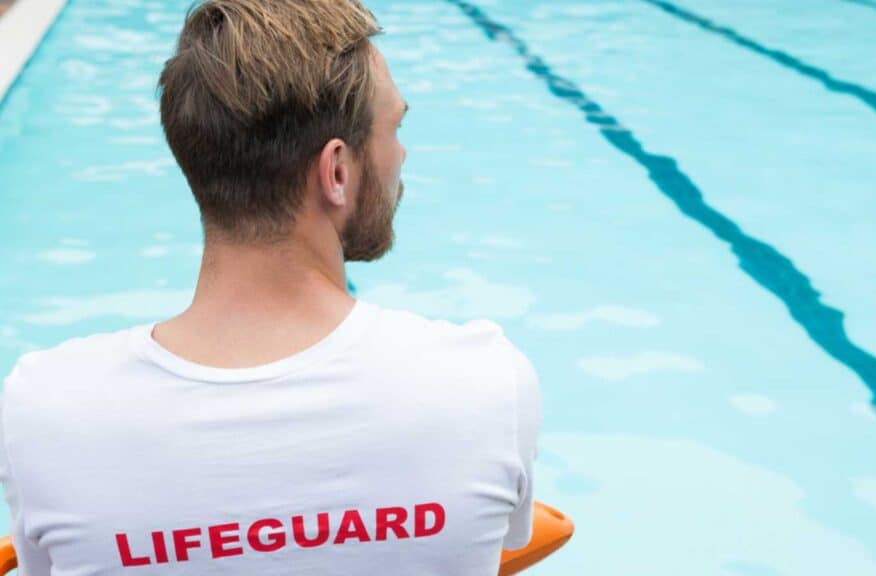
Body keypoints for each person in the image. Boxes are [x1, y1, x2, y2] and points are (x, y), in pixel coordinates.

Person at [0, 0, 541, 574]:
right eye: (394, 128)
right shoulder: (483, 386)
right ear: (336, 171)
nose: (401, 154)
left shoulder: (48, 411)